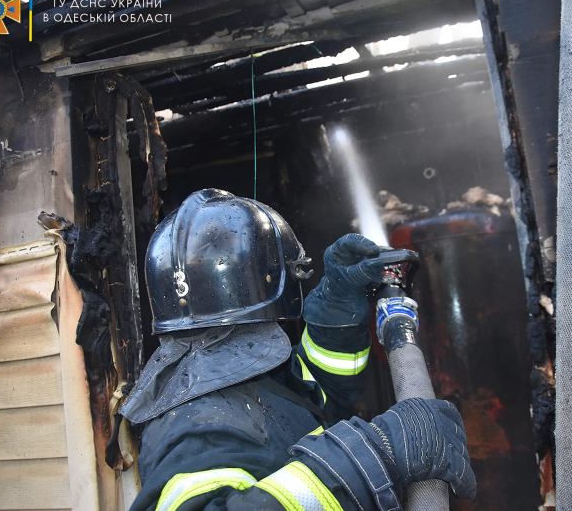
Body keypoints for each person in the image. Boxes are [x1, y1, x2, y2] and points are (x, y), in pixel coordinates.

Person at [120, 189, 476, 511]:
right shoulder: (198, 428)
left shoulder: (238, 375)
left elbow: (313, 401)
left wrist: (334, 317)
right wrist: (375, 454)